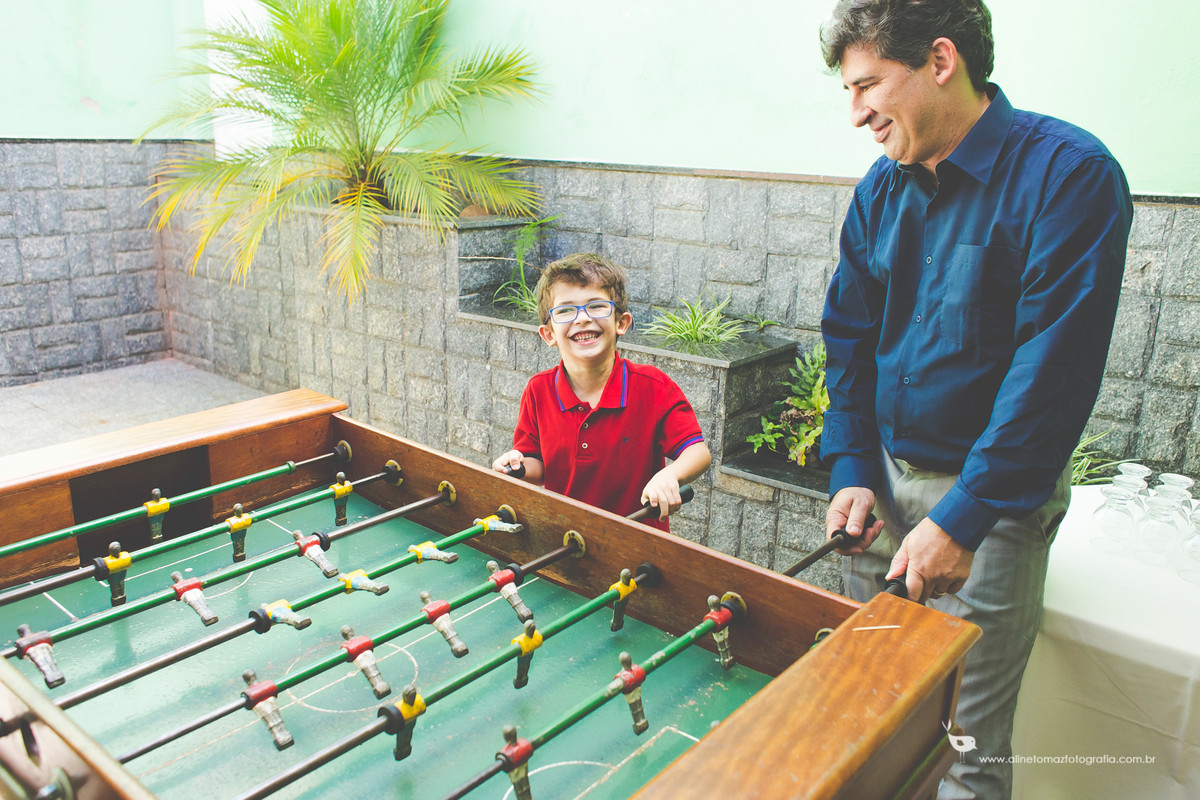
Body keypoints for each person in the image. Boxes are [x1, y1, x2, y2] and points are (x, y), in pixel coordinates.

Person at [817, 2, 1132, 798]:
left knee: (964, 751)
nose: (855, 114)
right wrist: (852, 464)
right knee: (867, 716)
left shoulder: (1071, 175)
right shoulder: (880, 191)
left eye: (867, 87)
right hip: (880, 489)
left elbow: (1051, 374)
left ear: (941, 60)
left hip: (991, 508)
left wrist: (963, 517)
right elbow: (847, 335)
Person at [492, 253, 711, 529]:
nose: (582, 318)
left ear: (621, 323)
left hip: (638, 543)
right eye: (565, 310)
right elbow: (538, 467)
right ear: (548, 334)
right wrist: (517, 466)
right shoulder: (538, 390)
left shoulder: (653, 386)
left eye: (596, 306)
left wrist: (669, 476)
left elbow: (698, 452)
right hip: (565, 537)